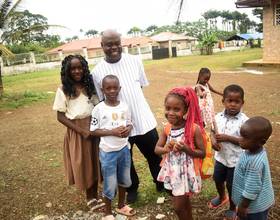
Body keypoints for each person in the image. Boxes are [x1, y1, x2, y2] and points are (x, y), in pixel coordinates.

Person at [91, 29, 163, 203]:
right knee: (125, 160)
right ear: (102, 46)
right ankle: (132, 189)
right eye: (109, 44)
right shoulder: (97, 72)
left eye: (117, 43)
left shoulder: (135, 61)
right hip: (119, 128)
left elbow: (140, 88)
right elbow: (102, 100)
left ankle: (161, 183)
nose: (114, 47)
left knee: (155, 155)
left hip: (143, 119)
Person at [53, 55, 103, 209]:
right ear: (67, 71)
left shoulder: (89, 86)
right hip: (78, 132)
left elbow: (98, 106)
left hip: (93, 129)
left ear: (84, 69)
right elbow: (60, 116)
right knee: (84, 164)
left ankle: (95, 194)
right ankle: (90, 198)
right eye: (72, 68)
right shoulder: (63, 90)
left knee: (96, 162)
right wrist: (81, 131)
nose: (77, 71)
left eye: (79, 67)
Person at [155, 87, 206, 220]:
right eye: (168, 108)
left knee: (178, 207)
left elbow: (202, 153)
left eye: (176, 109)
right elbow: (157, 149)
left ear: (185, 110)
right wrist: (166, 148)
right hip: (172, 171)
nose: (171, 113)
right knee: (183, 203)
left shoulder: (193, 129)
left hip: (186, 172)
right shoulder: (167, 128)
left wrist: (186, 149)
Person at [90, 75, 136, 219]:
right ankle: (108, 212)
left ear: (119, 89)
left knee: (124, 180)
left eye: (115, 87)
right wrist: (112, 132)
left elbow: (129, 123)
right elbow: (93, 131)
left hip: (124, 150)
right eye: (108, 88)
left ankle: (121, 205)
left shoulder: (124, 106)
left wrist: (128, 129)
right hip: (108, 152)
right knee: (109, 183)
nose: (112, 91)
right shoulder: (98, 109)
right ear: (102, 89)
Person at [209, 84, 249, 220]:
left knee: (232, 186)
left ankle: (233, 206)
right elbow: (212, 132)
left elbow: (246, 142)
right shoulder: (217, 117)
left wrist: (227, 138)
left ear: (242, 103)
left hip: (235, 162)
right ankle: (222, 196)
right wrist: (213, 141)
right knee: (218, 179)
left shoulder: (245, 122)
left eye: (237, 101)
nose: (233, 104)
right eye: (229, 101)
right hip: (220, 158)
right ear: (223, 101)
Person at [233, 116, 274, 220]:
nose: (240, 139)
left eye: (245, 137)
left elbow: (252, 188)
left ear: (261, 142)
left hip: (254, 208)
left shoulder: (255, 163)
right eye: (241, 135)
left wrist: (243, 206)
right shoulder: (252, 150)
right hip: (250, 205)